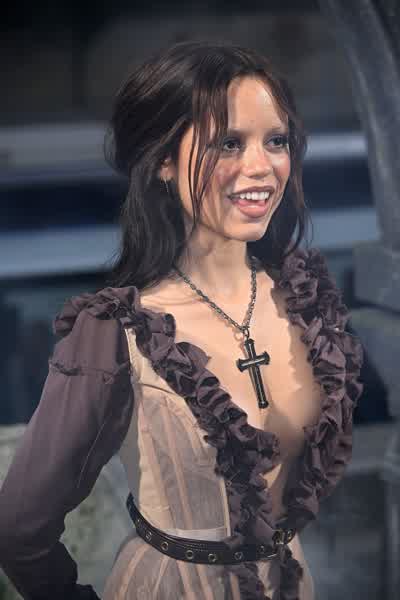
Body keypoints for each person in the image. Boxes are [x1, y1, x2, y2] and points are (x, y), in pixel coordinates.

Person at [0, 41, 364, 600]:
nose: (261, 167)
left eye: (276, 141)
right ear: (164, 162)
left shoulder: (307, 300)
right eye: (228, 143)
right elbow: (18, 528)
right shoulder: (115, 333)